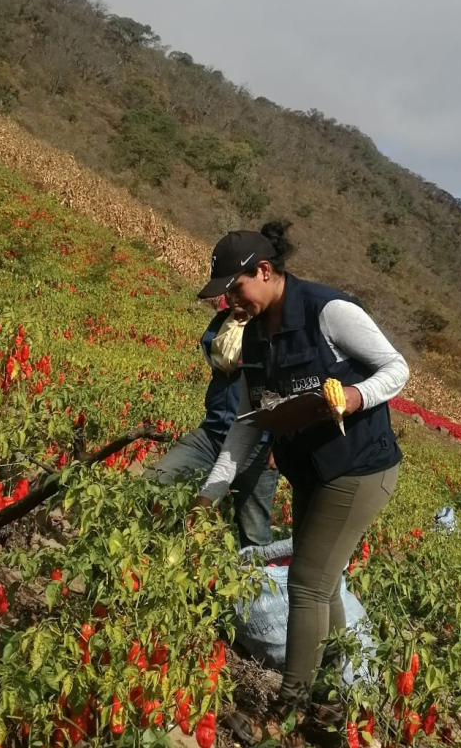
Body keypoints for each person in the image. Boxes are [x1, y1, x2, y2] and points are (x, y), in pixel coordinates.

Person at [190, 220, 409, 739]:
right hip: (311, 471)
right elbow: (245, 429)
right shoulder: (254, 338)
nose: (229, 301)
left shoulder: (326, 311)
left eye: (235, 288)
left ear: (264, 271)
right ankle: (336, 699)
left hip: (359, 468)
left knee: (306, 584)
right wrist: (208, 496)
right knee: (324, 584)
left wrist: (353, 397)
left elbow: (396, 369)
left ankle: (283, 711)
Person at [145, 297, 279, 548]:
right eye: (230, 291)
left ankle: (255, 583)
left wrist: (283, 439)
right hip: (213, 431)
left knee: (254, 533)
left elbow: (295, 384)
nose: (235, 297)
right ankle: (154, 549)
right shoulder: (222, 322)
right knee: (154, 481)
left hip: (257, 445)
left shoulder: (272, 329)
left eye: (241, 290)